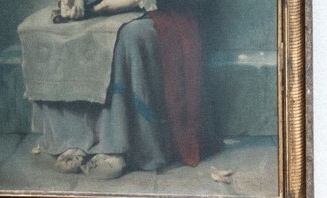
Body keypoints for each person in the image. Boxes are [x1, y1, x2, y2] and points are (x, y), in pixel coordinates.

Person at [19, 0, 210, 179]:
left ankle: (115, 146)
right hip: (104, 9)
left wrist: (129, 2)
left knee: (126, 37)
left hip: (160, 11)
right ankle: (73, 139)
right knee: (44, 30)